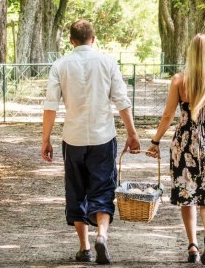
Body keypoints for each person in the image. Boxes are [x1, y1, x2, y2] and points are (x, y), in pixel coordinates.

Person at [41, 19, 141, 265]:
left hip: (73, 138)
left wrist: (46, 140)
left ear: (71, 41)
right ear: (93, 39)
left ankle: (84, 247)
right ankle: (102, 235)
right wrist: (132, 133)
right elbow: (121, 101)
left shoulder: (60, 65)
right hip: (102, 137)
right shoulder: (107, 62)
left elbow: (50, 106)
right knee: (103, 188)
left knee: (75, 190)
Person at [146, 34, 205, 265]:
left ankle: (193, 246)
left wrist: (155, 141)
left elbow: (168, 116)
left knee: (188, 197)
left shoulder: (179, 81)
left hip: (184, 143)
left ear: (192, 54)